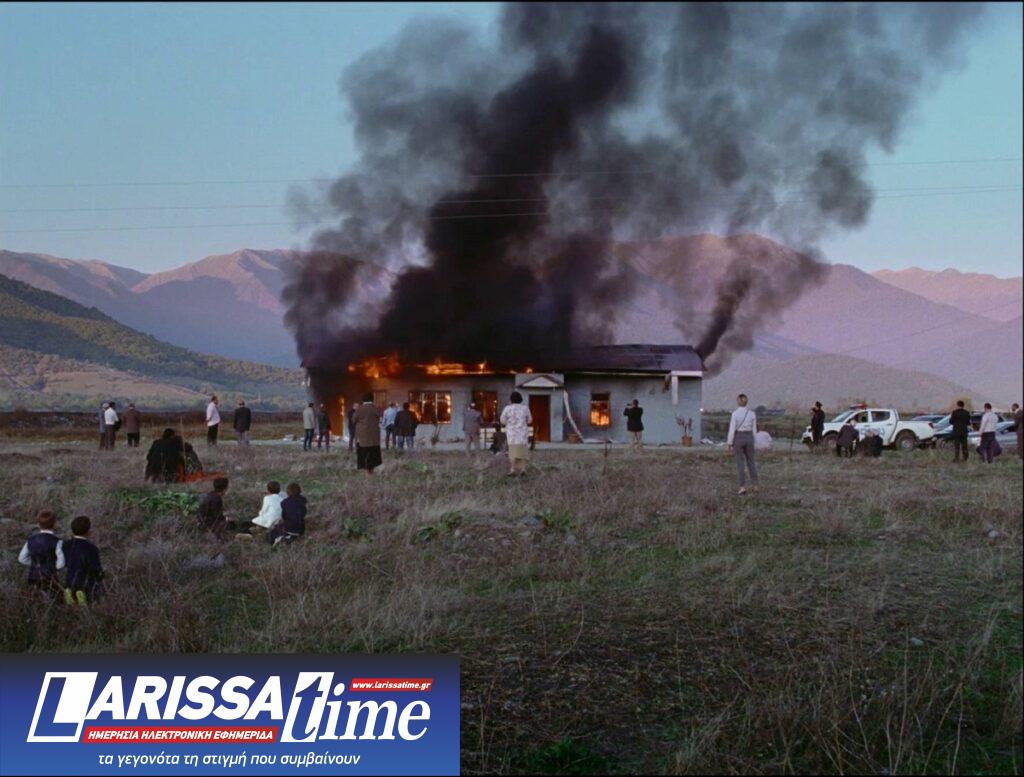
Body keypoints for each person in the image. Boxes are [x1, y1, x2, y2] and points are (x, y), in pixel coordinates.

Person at [18, 511, 65, 594]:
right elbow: (61, 564)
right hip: (50, 577)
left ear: (38, 524)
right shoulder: (57, 542)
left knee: (35, 597)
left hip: (33, 576)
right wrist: (52, 566)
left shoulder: (30, 540)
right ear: (54, 524)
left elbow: (22, 558)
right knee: (53, 597)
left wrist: (34, 563)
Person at [62, 515, 104, 605]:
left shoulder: (66, 545)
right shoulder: (91, 548)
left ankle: (70, 593)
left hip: (69, 579)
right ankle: (82, 598)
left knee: (71, 603)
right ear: (88, 531)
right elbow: (95, 568)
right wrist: (101, 575)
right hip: (85, 582)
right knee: (88, 600)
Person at [726, 393, 758, 495]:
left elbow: (732, 430)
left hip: (739, 437)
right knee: (751, 462)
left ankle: (742, 487)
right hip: (749, 437)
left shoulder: (735, 414)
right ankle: (755, 485)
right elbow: (754, 430)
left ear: (738, 401)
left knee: (740, 463)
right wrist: (754, 441)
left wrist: (729, 442)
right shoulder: (752, 414)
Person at [499, 391, 533, 477]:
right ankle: (523, 469)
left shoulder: (507, 408)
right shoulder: (525, 408)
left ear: (511, 399)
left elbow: (502, 420)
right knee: (523, 451)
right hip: (522, 433)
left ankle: (513, 469)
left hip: (512, 433)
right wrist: (523, 422)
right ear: (521, 399)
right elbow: (530, 420)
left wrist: (508, 423)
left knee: (512, 451)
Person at [353, 393, 382, 473]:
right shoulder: (376, 408)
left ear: (363, 400)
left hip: (363, 437)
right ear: (372, 399)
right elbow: (380, 419)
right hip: (374, 437)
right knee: (373, 455)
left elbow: (353, 420)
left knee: (364, 454)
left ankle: (366, 472)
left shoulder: (360, 409)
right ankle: (371, 471)